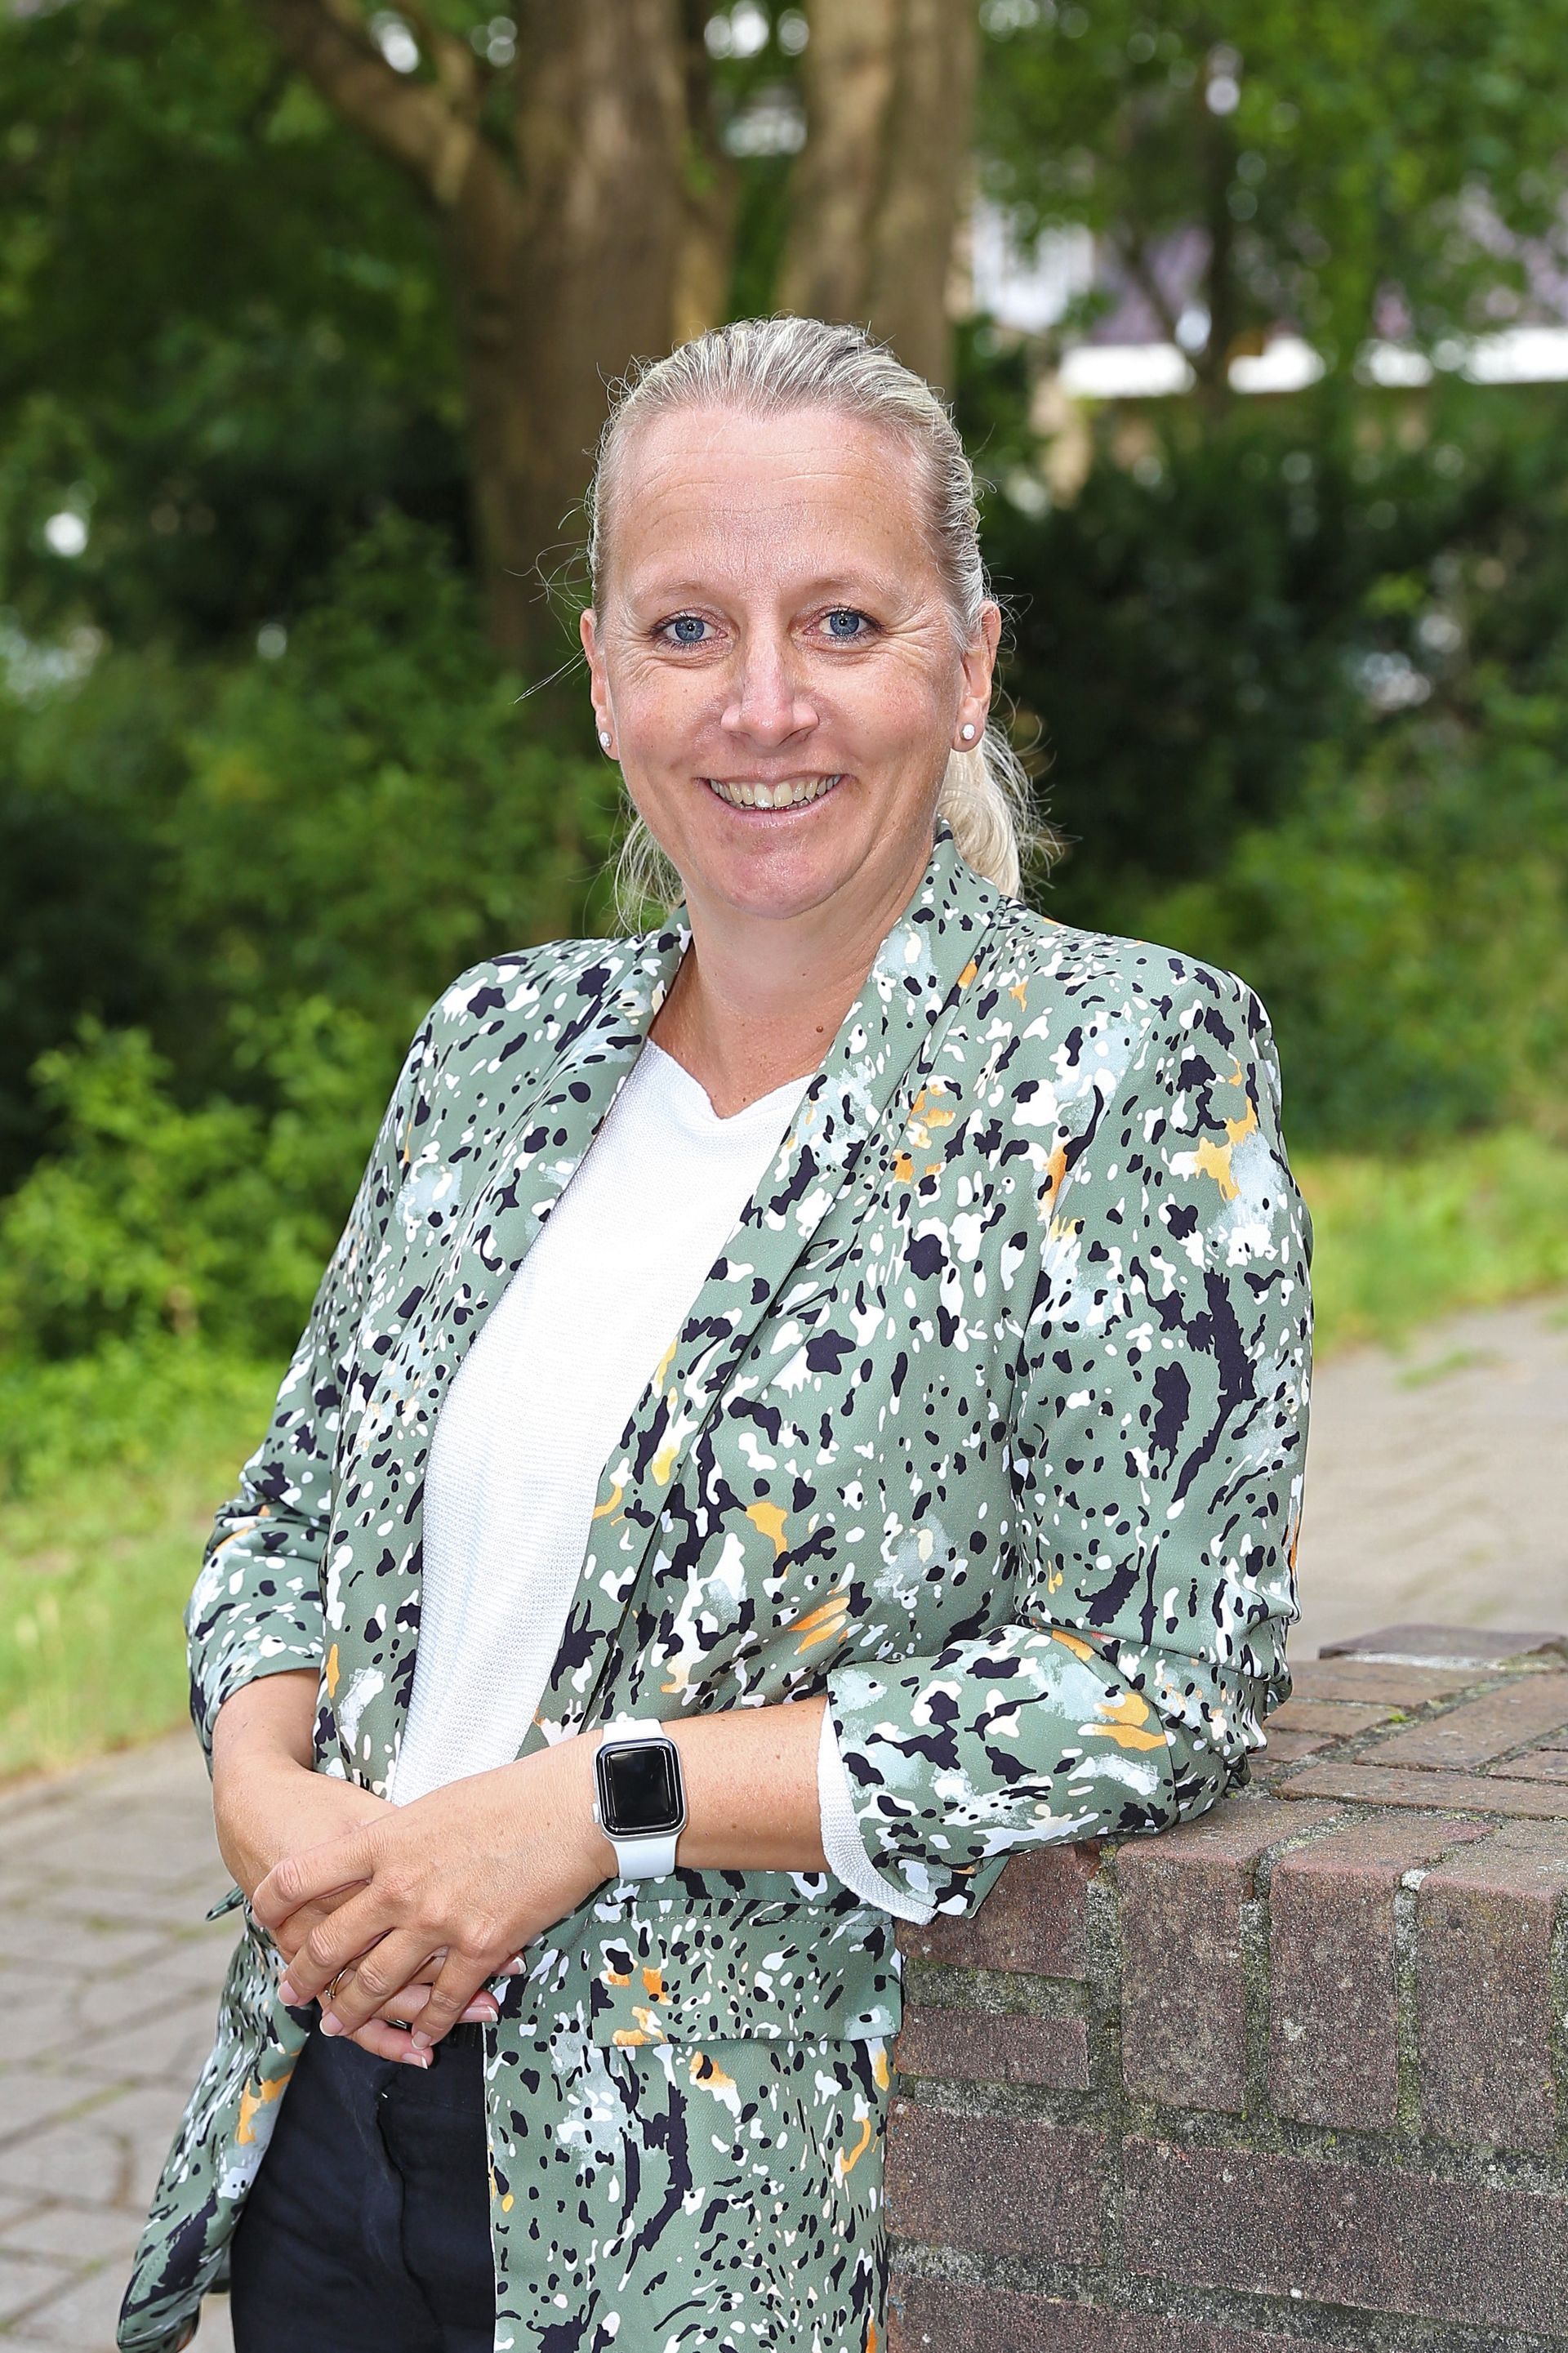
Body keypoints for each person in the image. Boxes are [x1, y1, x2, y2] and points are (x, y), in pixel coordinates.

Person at [119, 314, 1311, 2353]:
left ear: (970, 663)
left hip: (698, 2215)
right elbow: (291, 1510)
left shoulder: (1120, 1068)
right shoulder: (494, 1048)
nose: (764, 703)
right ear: (604, 679)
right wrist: (261, 1785)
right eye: (688, 629)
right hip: (322, 2128)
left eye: (842, 620)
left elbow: (1159, 1683)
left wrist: (603, 1796)